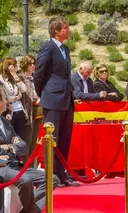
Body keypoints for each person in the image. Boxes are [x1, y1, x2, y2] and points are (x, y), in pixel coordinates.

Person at [34, 16, 79, 187]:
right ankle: (52, 177)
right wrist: (43, 93)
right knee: (52, 139)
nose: (69, 30)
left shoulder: (65, 49)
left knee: (65, 139)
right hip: (52, 99)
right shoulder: (48, 47)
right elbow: (39, 73)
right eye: (66, 28)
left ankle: (62, 174)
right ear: (56, 31)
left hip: (66, 99)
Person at [0, 87, 59, 213]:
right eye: (5, 99)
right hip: (2, 167)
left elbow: (23, 146)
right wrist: (11, 147)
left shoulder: (4, 122)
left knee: (52, 179)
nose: (7, 102)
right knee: (26, 180)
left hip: (15, 165)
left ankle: (28, 211)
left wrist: (10, 147)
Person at [19, 55, 42, 165]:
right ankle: (26, 168)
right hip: (27, 112)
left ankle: (32, 168)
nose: (33, 66)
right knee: (27, 142)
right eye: (30, 63)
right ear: (25, 64)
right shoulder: (21, 78)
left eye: (34, 63)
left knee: (34, 142)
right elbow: (26, 96)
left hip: (37, 112)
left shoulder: (35, 77)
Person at [0, 58, 27, 139]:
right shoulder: (1, 79)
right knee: (9, 137)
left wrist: (14, 75)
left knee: (20, 137)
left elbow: (24, 89)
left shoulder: (15, 78)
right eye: (14, 66)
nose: (16, 68)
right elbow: (3, 95)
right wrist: (12, 99)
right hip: (8, 112)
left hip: (19, 110)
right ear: (8, 67)